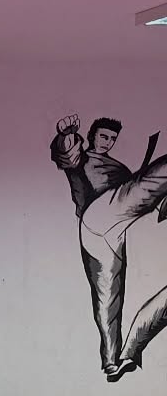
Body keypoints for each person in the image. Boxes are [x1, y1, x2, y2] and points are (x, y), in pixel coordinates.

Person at [50, 114, 167, 380]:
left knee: (107, 300)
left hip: (107, 233)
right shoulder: (82, 159)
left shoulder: (118, 168)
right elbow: (65, 153)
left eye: (113, 139)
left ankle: (112, 361)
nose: (108, 142)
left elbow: (139, 194)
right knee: (147, 183)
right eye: (104, 136)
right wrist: (66, 134)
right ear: (91, 136)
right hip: (99, 214)